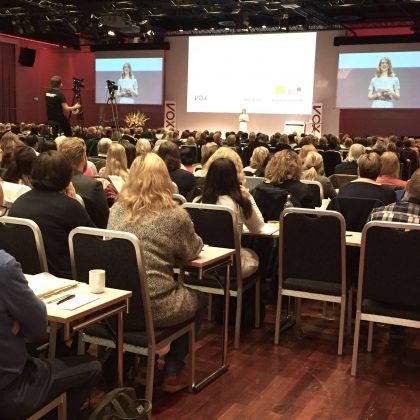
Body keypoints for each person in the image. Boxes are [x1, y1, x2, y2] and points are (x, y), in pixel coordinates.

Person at [107, 153, 204, 392]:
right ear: (164, 179)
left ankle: (143, 365)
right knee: (200, 299)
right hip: (156, 308)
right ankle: (173, 369)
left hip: (118, 305)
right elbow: (191, 251)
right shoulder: (175, 215)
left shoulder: (116, 210)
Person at [0, 250, 102, 419]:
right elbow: (38, 327)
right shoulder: (4, 267)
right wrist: (14, 322)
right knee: (93, 368)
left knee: (31, 352)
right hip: (11, 392)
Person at [9, 151, 95, 278]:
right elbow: (94, 244)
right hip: (67, 281)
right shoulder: (69, 207)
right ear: (67, 177)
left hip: (25, 278)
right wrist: (74, 200)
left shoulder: (17, 204)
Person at [197, 158, 264, 278]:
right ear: (234, 177)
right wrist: (249, 197)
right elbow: (258, 227)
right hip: (230, 267)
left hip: (201, 265)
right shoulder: (240, 203)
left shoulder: (196, 202)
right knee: (254, 254)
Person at [58, 137, 109, 228]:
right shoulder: (93, 186)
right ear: (83, 157)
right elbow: (105, 223)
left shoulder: (51, 183)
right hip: (88, 239)